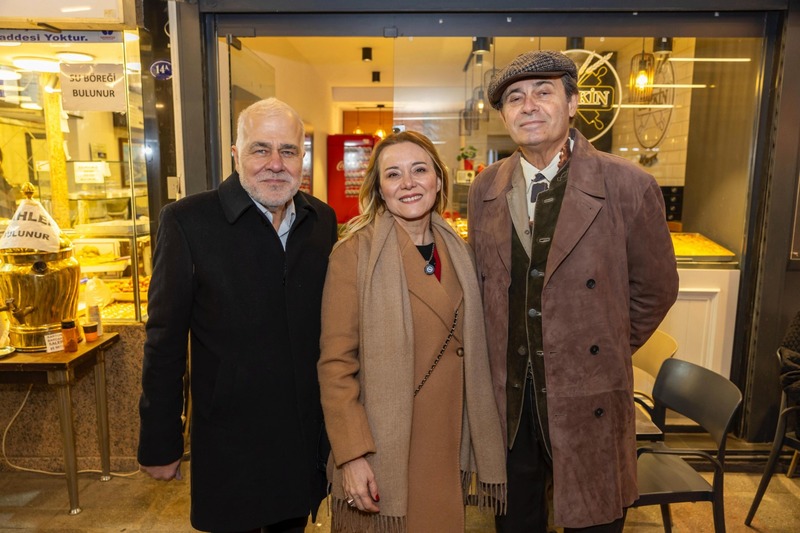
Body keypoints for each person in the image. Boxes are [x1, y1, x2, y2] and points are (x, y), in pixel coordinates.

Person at [468, 50, 679, 532]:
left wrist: (598, 347)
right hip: (511, 401)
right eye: (515, 98)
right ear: (503, 116)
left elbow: (656, 289)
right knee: (515, 521)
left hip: (589, 395)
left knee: (592, 520)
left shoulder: (628, 185)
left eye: (543, 92)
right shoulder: (485, 189)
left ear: (573, 103)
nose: (528, 106)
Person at [138, 97, 337, 533]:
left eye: (288, 150)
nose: (275, 164)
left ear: (302, 157)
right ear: (235, 154)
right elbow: (164, 341)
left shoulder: (321, 220)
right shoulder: (188, 221)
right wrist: (160, 441)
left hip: (300, 438)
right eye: (260, 149)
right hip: (229, 440)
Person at [318, 130, 506, 532]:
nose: (408, 183)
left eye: (419, 170)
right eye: (393, 174)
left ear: (438, 180)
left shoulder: (460, 252)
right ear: (379, 189)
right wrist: (352, 455)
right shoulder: (353, 254)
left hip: (447, 445)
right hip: (383, 449)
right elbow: (336, 366)